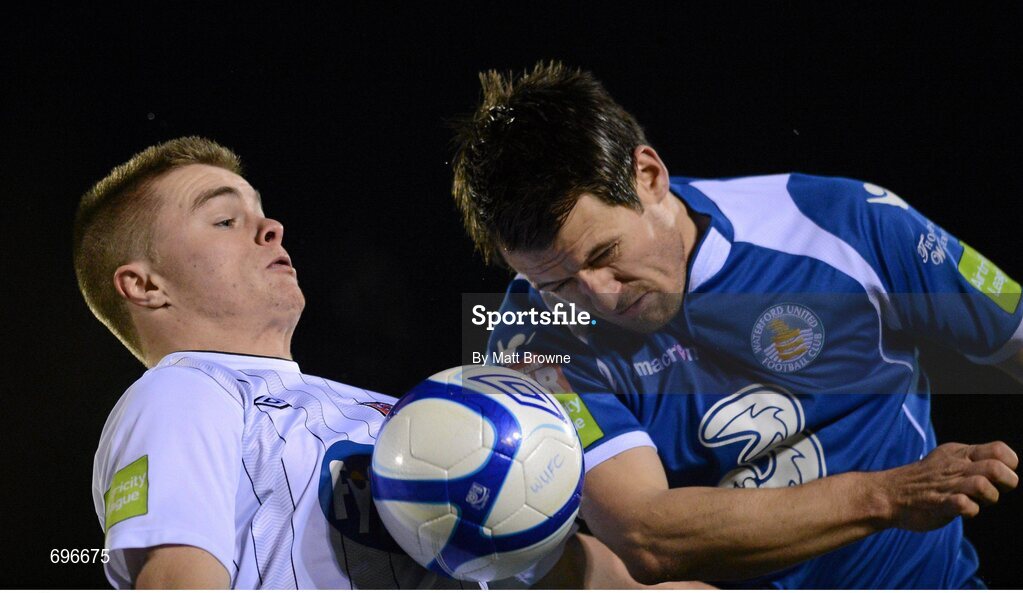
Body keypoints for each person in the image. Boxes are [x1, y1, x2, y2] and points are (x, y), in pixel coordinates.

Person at [450, 62, 1021, 588]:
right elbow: (647, 535)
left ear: (648, 176)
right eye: (557, 283)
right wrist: (889, 496)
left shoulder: (841, 225)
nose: (597, 295)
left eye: (604, 254)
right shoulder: (531, 342)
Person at [74, 137, 703, 589]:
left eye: (262, 212)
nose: (271, 229)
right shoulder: (183, 392)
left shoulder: (372, 410)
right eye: (224, 219)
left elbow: (559, 568)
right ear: (144, 286)